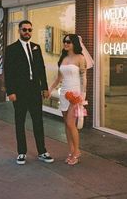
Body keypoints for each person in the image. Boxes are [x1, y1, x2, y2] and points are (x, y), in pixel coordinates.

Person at [4, 20, 54, 165]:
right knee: (20, 122)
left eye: (30, 30)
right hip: (19, 92)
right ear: (19, 31)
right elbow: (8, 71)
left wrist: (44, 87)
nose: (27, 32)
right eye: (24, 29)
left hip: (34, 91)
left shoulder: (36, 47)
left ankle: (42, 151)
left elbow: (41, 69)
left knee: (38, 121)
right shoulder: (11, 49)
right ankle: (21, 152)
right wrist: (10, 91)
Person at [49, 34, 93, 166]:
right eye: (64, 41)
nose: (66, 43)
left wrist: (82, 95)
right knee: (66, 125)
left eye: (68, 41)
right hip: (63, 93)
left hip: (75, 94)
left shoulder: (80, 58)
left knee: (70, 123)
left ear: (74, 43)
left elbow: (83, 77)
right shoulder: (63, 58)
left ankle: (77, 152)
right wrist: (49, 89)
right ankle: (71, 150)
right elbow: (58, 78)